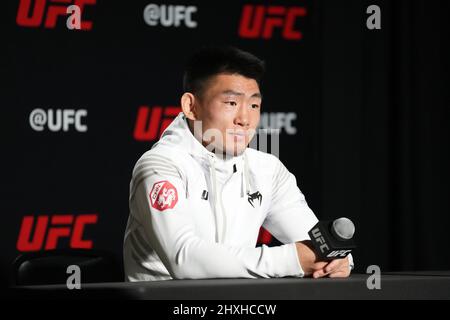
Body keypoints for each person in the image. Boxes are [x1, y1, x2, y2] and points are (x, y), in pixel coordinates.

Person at [123, 46, 353, 281]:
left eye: (254, 105)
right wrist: (292, 260)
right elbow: (184, 260)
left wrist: (335, 260)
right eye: (231, 103)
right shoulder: (160, 165)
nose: (245, 120)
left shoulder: (267, 170)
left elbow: (316, 244)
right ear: (191, 107)